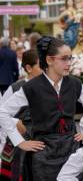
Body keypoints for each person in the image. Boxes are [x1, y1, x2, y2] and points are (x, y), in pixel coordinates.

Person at [0, 36, 83, 181]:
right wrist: (19, 141)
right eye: (64, 59)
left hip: (72, 149)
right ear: (50, 60)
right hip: (44, 152)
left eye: (70, 58)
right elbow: (3, 111)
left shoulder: (74, 83)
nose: (69, 63)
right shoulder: (31, 87)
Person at [0, 49, 42, 180]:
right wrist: (15, 122)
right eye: (41, 66)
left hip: (43, 143)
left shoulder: (51, 87)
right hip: (19, 142)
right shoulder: (15, 88)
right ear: (29, 68)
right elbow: (2, 114)